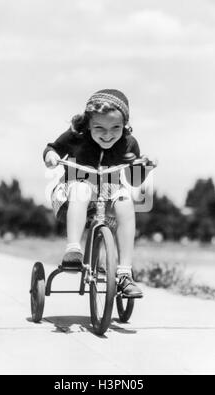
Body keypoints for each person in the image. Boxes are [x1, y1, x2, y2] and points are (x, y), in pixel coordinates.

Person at [44, 89, 149, 298]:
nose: (108, 134)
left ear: (125, 124)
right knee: (82, 188)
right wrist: (51, 156)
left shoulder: (129, 143)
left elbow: (135, 179)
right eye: (99, 127)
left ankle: (125, 274)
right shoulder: (76, 137)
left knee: (125, 199)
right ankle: (73, 250)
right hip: (71, 193)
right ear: (88, 124)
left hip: (108, 195)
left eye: (115, 128)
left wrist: (145, 168)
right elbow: (52, 148)